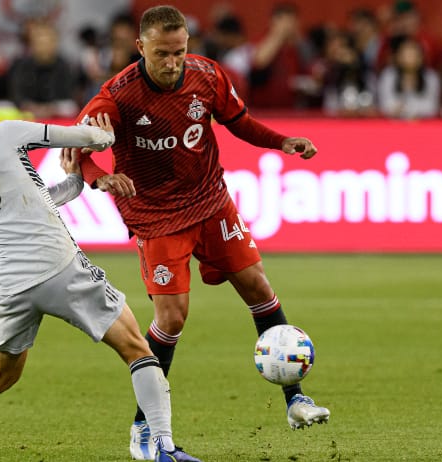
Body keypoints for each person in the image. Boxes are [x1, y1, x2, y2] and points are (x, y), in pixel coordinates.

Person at [0, 81, 202, 462]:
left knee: (0, 373)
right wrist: (105, 135)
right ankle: (164, 447)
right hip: (57, 267)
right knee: (138, 349)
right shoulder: (3, 133)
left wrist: (75, 182)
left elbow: (30, 205)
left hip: (8, 285)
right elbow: (84, 136)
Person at [70, 6, 330, 460]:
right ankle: (143, 429)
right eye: (162, 54)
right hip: (156, 217)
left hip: (211, 202)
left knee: (258, 287)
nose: (173, 63)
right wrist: (101, 178)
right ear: (141, 48)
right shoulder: (117, 96)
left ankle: (296, 400)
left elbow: (239, 122)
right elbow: (78, 152)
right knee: (171, 319)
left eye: (179, 52)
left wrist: (281, 142)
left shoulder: (207, 75)